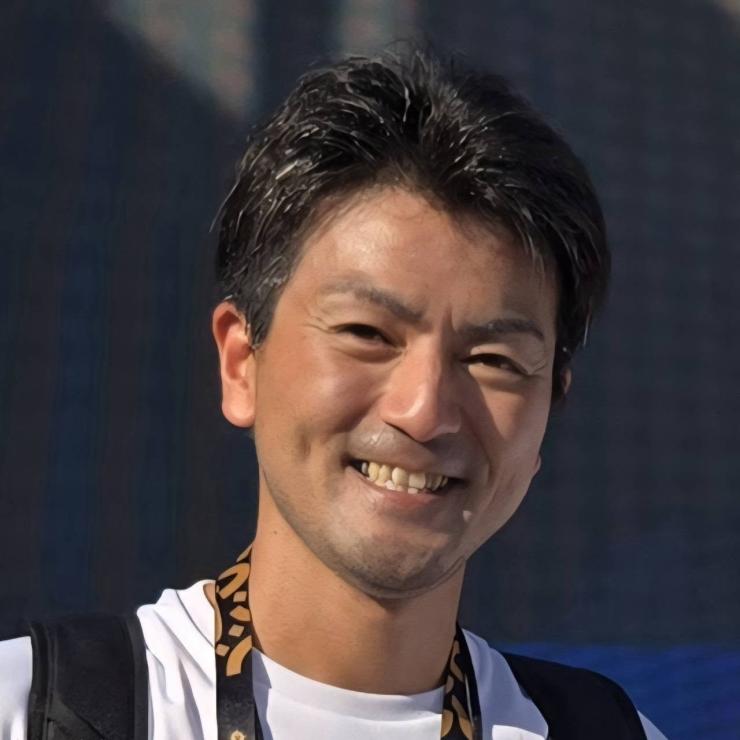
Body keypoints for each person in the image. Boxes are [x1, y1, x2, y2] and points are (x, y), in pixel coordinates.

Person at [0, 48, 667, 739]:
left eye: (493, 360)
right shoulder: (29, 711)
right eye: (367, 333)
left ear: (549, 409)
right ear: (240, 362)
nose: (424, 411)